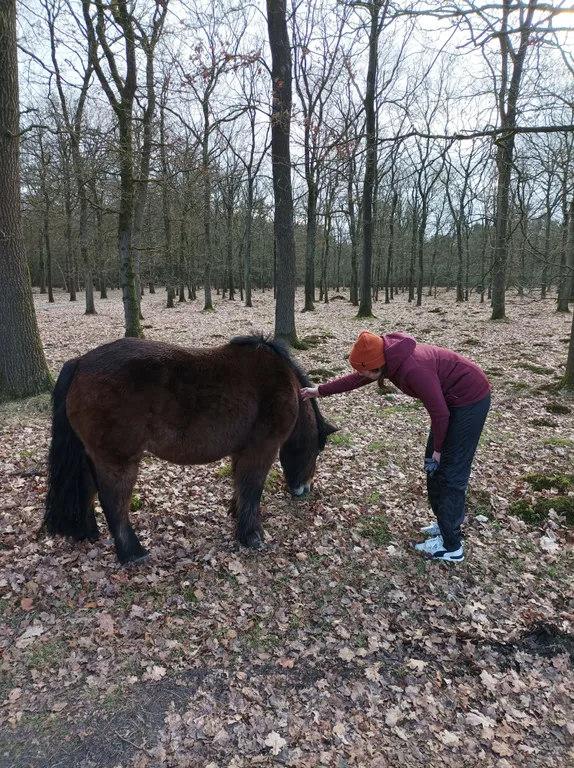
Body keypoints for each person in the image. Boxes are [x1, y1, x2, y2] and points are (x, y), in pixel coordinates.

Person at [301, 331, 491, 562]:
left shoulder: (414, 370)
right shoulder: (386, 359)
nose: (360, 375)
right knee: (433, 466)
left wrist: (439, 451)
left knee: (451, 472)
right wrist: (319, 391)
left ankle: (452, 547)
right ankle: (444, 524)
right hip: (450, 403)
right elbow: (356, 379)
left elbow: (440, 414)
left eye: (363, 371)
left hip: (470, 400)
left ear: (375, 366)